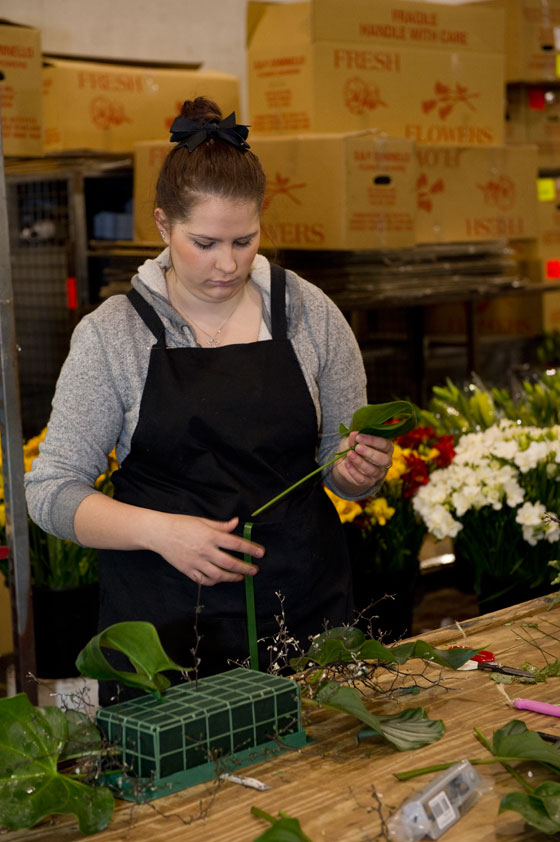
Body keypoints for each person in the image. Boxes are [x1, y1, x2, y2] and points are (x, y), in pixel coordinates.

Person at [25, 97, 393, 702]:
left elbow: (340, 465)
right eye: (204, 242)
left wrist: (358, 472)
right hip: (166, 633)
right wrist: (162, 532)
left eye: (244, 240)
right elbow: (51, 491)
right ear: (163, 225)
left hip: (303, 611)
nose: (227, 264)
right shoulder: (114, 335)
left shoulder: (309, 314)